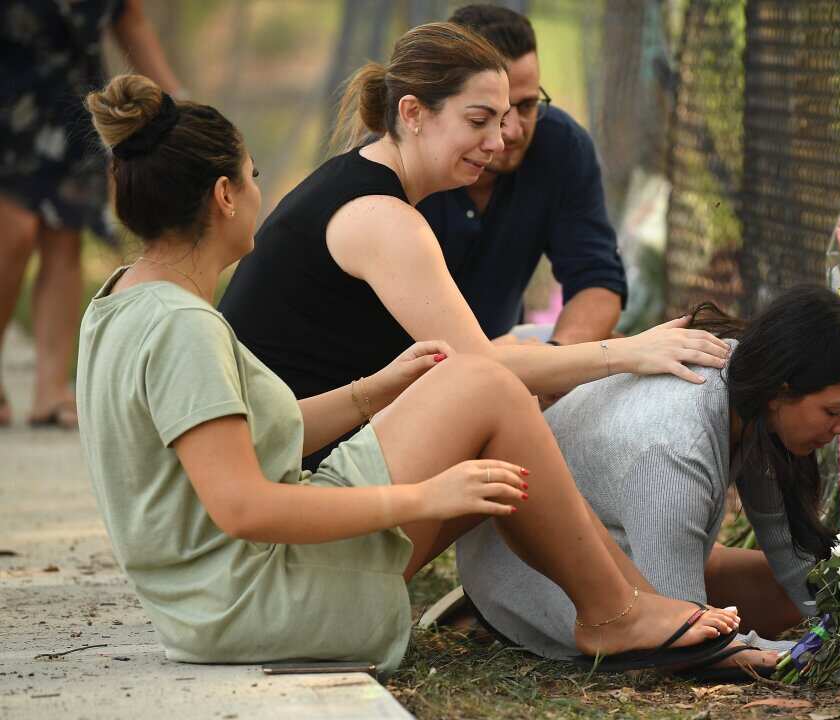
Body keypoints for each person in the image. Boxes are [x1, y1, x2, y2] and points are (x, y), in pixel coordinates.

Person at [76, 73, 743, 675]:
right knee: (485, 385)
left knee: (475, 388)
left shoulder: (122, 306)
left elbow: (241, 439)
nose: (259, 192)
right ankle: (617, 612)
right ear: (224, 195)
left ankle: (626, 605)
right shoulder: (182, 328)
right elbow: (244, 505)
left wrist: (377, 390)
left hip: (216, 602)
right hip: (257, 601)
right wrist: (423, 498)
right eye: (251, 177)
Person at [217, 22, 727, 470]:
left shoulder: (368, 181)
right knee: (498, 401)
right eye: (479, 121)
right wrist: (630, 352)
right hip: (287, 468)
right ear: (413, 113)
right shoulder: (384, 218)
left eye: (505, 118)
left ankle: (605, 575)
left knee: (514, 371)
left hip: (290, 444)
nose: (500, 141)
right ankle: (610, 581)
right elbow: (481, 366)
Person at [458, 285, 840, 679]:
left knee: (794, 590)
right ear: (782, 389)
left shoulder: (743, 377)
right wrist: (820, 660)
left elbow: (789, 552)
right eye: (834, 411)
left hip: (591, 545)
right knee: (705, 634)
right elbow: (684, 639)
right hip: (524, 583)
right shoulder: (675, 449)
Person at [0, 0, 181, 428]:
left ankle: (50, 388)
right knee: (14, 235)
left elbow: (128, 19)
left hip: (72, 98)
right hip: (8, 96)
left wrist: (175, 98)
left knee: (65, 233)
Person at [417, 4, 625, 343]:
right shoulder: (399, 163)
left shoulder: (562, 145)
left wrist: (554, 362)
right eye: (487, 114)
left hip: (502, 364)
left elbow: (596, 278)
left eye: (527, 106)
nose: (511, 131)